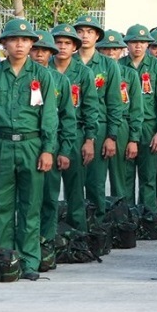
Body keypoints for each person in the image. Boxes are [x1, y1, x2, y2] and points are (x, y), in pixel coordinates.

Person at [0, 19, 58, 280]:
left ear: (32, 44)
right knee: (3, 207)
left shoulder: (42, 75)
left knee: (30, 205)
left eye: (25, 40)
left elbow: (49, 116)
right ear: (4, 44)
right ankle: (4, 258)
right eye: (14, 40)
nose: (19, 44)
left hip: (32, 145)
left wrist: (47, 149)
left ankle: (29, 261)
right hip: (0, 144)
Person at [29, 30, 78, 243]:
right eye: (36, 49)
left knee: (49, 196)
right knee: (27, 198)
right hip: (27, 143)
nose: (40, 54)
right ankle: (25, 239)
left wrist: (65, 150)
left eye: (45, 50)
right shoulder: (21, 78)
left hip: (52, 144)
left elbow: (68, 118)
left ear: (51, 53)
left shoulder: (60, 80)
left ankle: (46, 240)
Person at [50, 24, 100, 232]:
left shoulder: (84, 72)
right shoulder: (44, 71)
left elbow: (91, 108)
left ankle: (78, 233)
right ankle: (49, 235)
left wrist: (89, 139)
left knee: (75, 188)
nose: (62, 47)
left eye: (67, 43)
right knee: (48, 189)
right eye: (58, 42)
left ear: (74, 47)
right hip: (50, 134)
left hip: (76, 133)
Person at [74, 15, 124, 220]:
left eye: (90, 32)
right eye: (80, 31)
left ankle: (97, 226)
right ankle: (75, 226)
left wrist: (112, 136)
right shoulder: (67, 61)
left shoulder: (108, 65)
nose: (85, 36)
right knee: (73, 181)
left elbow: (114, 102)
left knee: (96, 181)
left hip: (100, 126)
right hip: (72, 126)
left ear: (97, 37)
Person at [119, 24, 157, 209]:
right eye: (133, 42)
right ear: (127, 44)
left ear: (148, 45)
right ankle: (127, 217)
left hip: (149, 125)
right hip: (126, 124)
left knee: (148, 176)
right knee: (126, 175)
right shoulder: (119, 66)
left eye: (142, 42)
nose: (138, 46)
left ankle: (148, 218)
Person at [96, 30, 144, 204]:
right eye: (106, 49)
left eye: (115, 49)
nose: (110, 53)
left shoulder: (129, 74)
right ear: (99, 50)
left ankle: (124, 218)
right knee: (95, 178)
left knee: (121, 177)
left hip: (122, 124)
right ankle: (97, 219)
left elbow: (137, 109)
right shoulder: (92, 71)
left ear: (121, 51)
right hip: (98, 124)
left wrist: (134, 139)